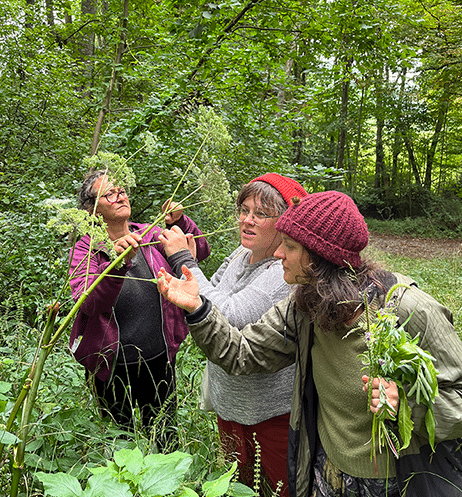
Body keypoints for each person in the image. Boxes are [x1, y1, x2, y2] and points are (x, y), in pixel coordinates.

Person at [157, 190, 462, 497]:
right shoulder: (304, 306)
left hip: (399, 480)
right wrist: (198, 309)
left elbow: (458, 399)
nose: (278, 254)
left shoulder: (408, 310)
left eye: (289, 246)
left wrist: (407, 405)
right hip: (326, 473)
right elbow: (242, 354)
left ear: (319, 258)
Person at [159, 173, 307, 496]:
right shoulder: (242, 255)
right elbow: (211, 289)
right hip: (230, 405)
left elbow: (230, 314)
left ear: (284, 222)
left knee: (282, 489)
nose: (247, 220)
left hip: (269, 414)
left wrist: (183, 259)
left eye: (261, 214)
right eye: (244, 210)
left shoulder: (283, 275)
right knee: (238, 488)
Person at [68, 169, 210, 449]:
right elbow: (89, 303)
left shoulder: (150, 235)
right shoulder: (85, 250)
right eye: (110, 193)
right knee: (119, 443)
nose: (120, 196)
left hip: (158, 358)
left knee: (165, 438)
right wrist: (117, 262)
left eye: (121, 190)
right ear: (92, 209)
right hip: (110, 366)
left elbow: (200, 250)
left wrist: (181, 221)